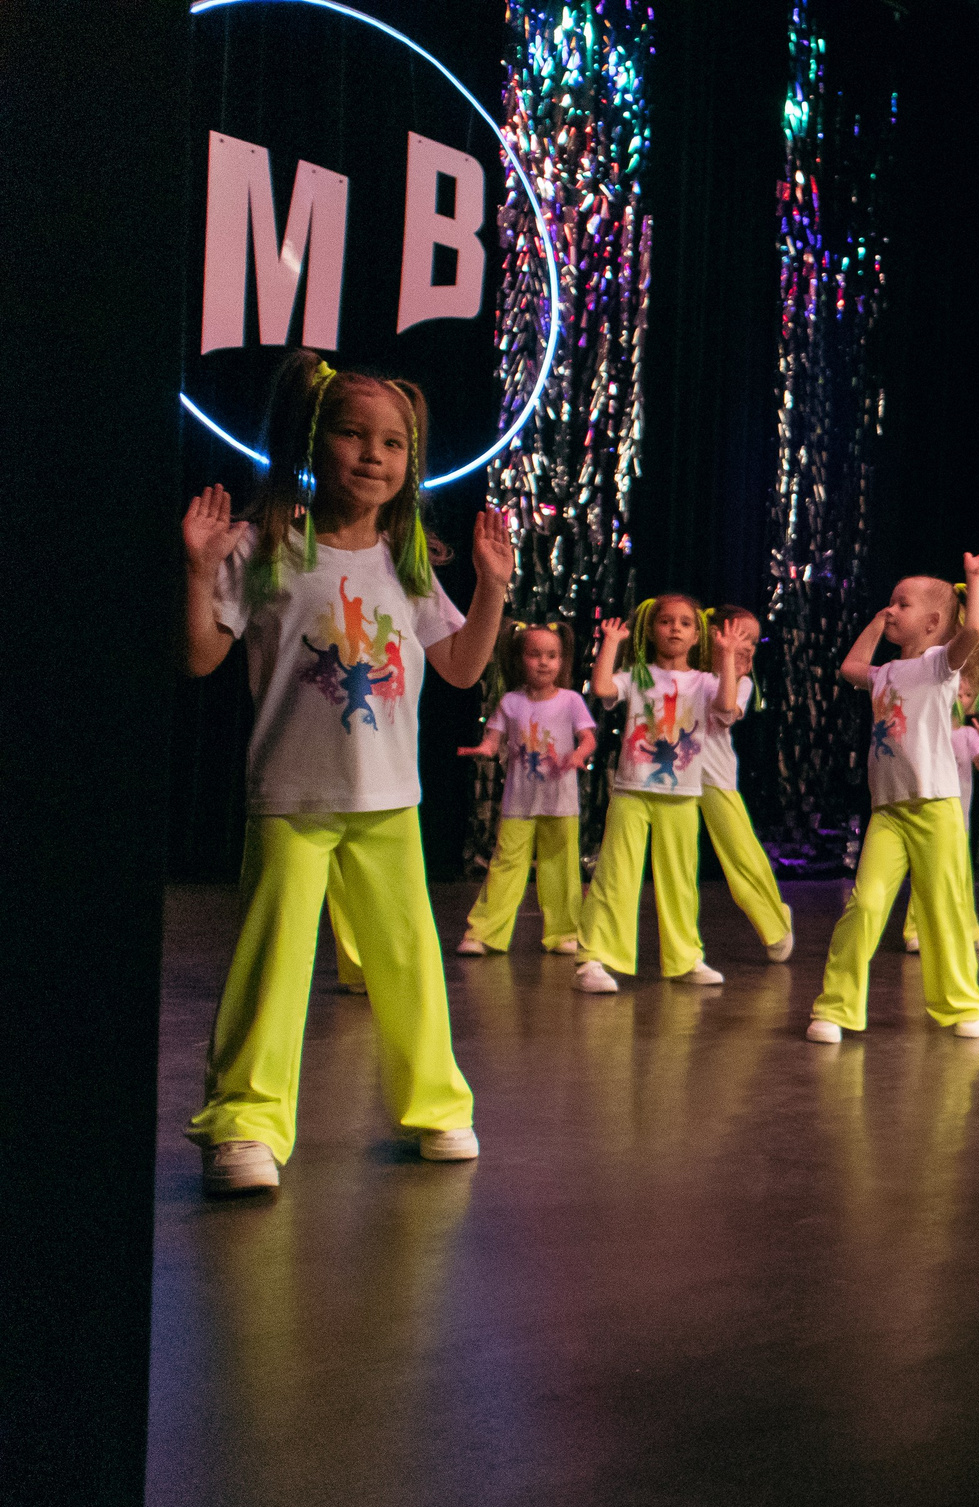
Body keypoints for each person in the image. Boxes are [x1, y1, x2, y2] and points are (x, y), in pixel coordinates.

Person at [178, 351, 512, 1195]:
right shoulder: (266, 546)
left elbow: (465, 669)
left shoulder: (408, 559)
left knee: (408, 960)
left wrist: (493, 593)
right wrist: (195, 571)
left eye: (394, 443)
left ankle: (437, 1105)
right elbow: (200, 657)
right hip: (291, 796)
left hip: (389, 799)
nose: (374, 455)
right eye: (354, 435)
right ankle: (245, 1122)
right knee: (274, 964)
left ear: (411, 462)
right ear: (312, 439)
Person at [811, 555, 979, 1040]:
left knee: (942, 909)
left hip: (934, 807)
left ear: (931, 622)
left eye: (902, 604)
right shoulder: (884, 675)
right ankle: (835, 1008)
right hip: (888, 812)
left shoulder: (937, 666)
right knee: (865, 903)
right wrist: (877, 622)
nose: (892, 608)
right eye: (891, 601)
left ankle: (961, 1002)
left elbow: (975, 629)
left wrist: (975, 581)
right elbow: (849, 667)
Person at [574, 596, 745, 993]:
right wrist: (611, 642)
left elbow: (726, 705)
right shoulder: (638, 676)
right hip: (633, 791)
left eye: (685, 623)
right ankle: (594, 958)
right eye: (666, 621)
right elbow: (601, 687)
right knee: (615, 875)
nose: (675, 628)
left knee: (680, 879)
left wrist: (727, 656)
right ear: (651, 630)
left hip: (682, 794)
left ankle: (685, 957)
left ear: (696, 634)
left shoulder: (705, 681)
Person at [456, 621, 595, 957]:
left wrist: (578, 755)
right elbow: (493, 740)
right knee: (505, 865)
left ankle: (564, 932)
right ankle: (484, 932)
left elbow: (588, 737)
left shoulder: (571, 701)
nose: (544, 662)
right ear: (520, 659)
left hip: (560, 801)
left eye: (552, 655)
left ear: (562, 661)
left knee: (560, 866)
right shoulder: (511, 702)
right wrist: (482, 750)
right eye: (535, 655)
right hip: (519, 802)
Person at [692, 607, 794, 963]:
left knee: (741, 856)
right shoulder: (682, 673)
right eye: (741, 636)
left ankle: (774, 923)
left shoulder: (741, 681)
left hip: (713, 778)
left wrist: (728, 666)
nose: (748, 645)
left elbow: (725, 711)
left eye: (752, 640)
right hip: (670, 780)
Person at [908, 705, 979, 955]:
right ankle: (915, 930)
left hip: (959, 811)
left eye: (968, 695)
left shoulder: (970, 733)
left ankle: (970, 930)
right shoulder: (930, 726)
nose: (961, 699)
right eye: (958, 692)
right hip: (932, 809)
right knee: (928, 870)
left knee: (962, 874)